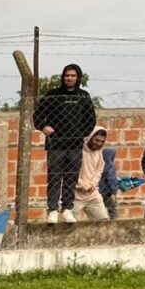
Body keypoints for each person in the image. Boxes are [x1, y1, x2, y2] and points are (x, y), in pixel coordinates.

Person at [33, 63, 97, 223]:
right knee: (54, 178)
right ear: (63, 77)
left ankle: (68, 209)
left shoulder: (83, 96)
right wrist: (43, 127)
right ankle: (52, 210)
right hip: (56, 145)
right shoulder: (53, 95)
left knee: (71, 178)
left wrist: (80, 134)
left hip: (75, 145)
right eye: (67, 75)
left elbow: (91, 119)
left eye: (73, 76)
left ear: (78, 78)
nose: (69, 78)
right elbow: (38, 115)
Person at [73, 127, 110, 221]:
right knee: (67, 227)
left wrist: (93, 184)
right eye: (97, 140)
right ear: (90, 137)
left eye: (102, 141)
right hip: (73, 195)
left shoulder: (98, 152)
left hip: (92, 194)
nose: (99, 144)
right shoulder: (77, 150)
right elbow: (69, 173)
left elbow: (100, 168)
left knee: (104, 222)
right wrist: (84, 185)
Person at [100, 143, 120, 220]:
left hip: (99, 192)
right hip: (108, 193)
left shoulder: (99, 164)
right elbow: (111, 178)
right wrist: (114, 192)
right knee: (113, 212)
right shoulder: (109, 165)